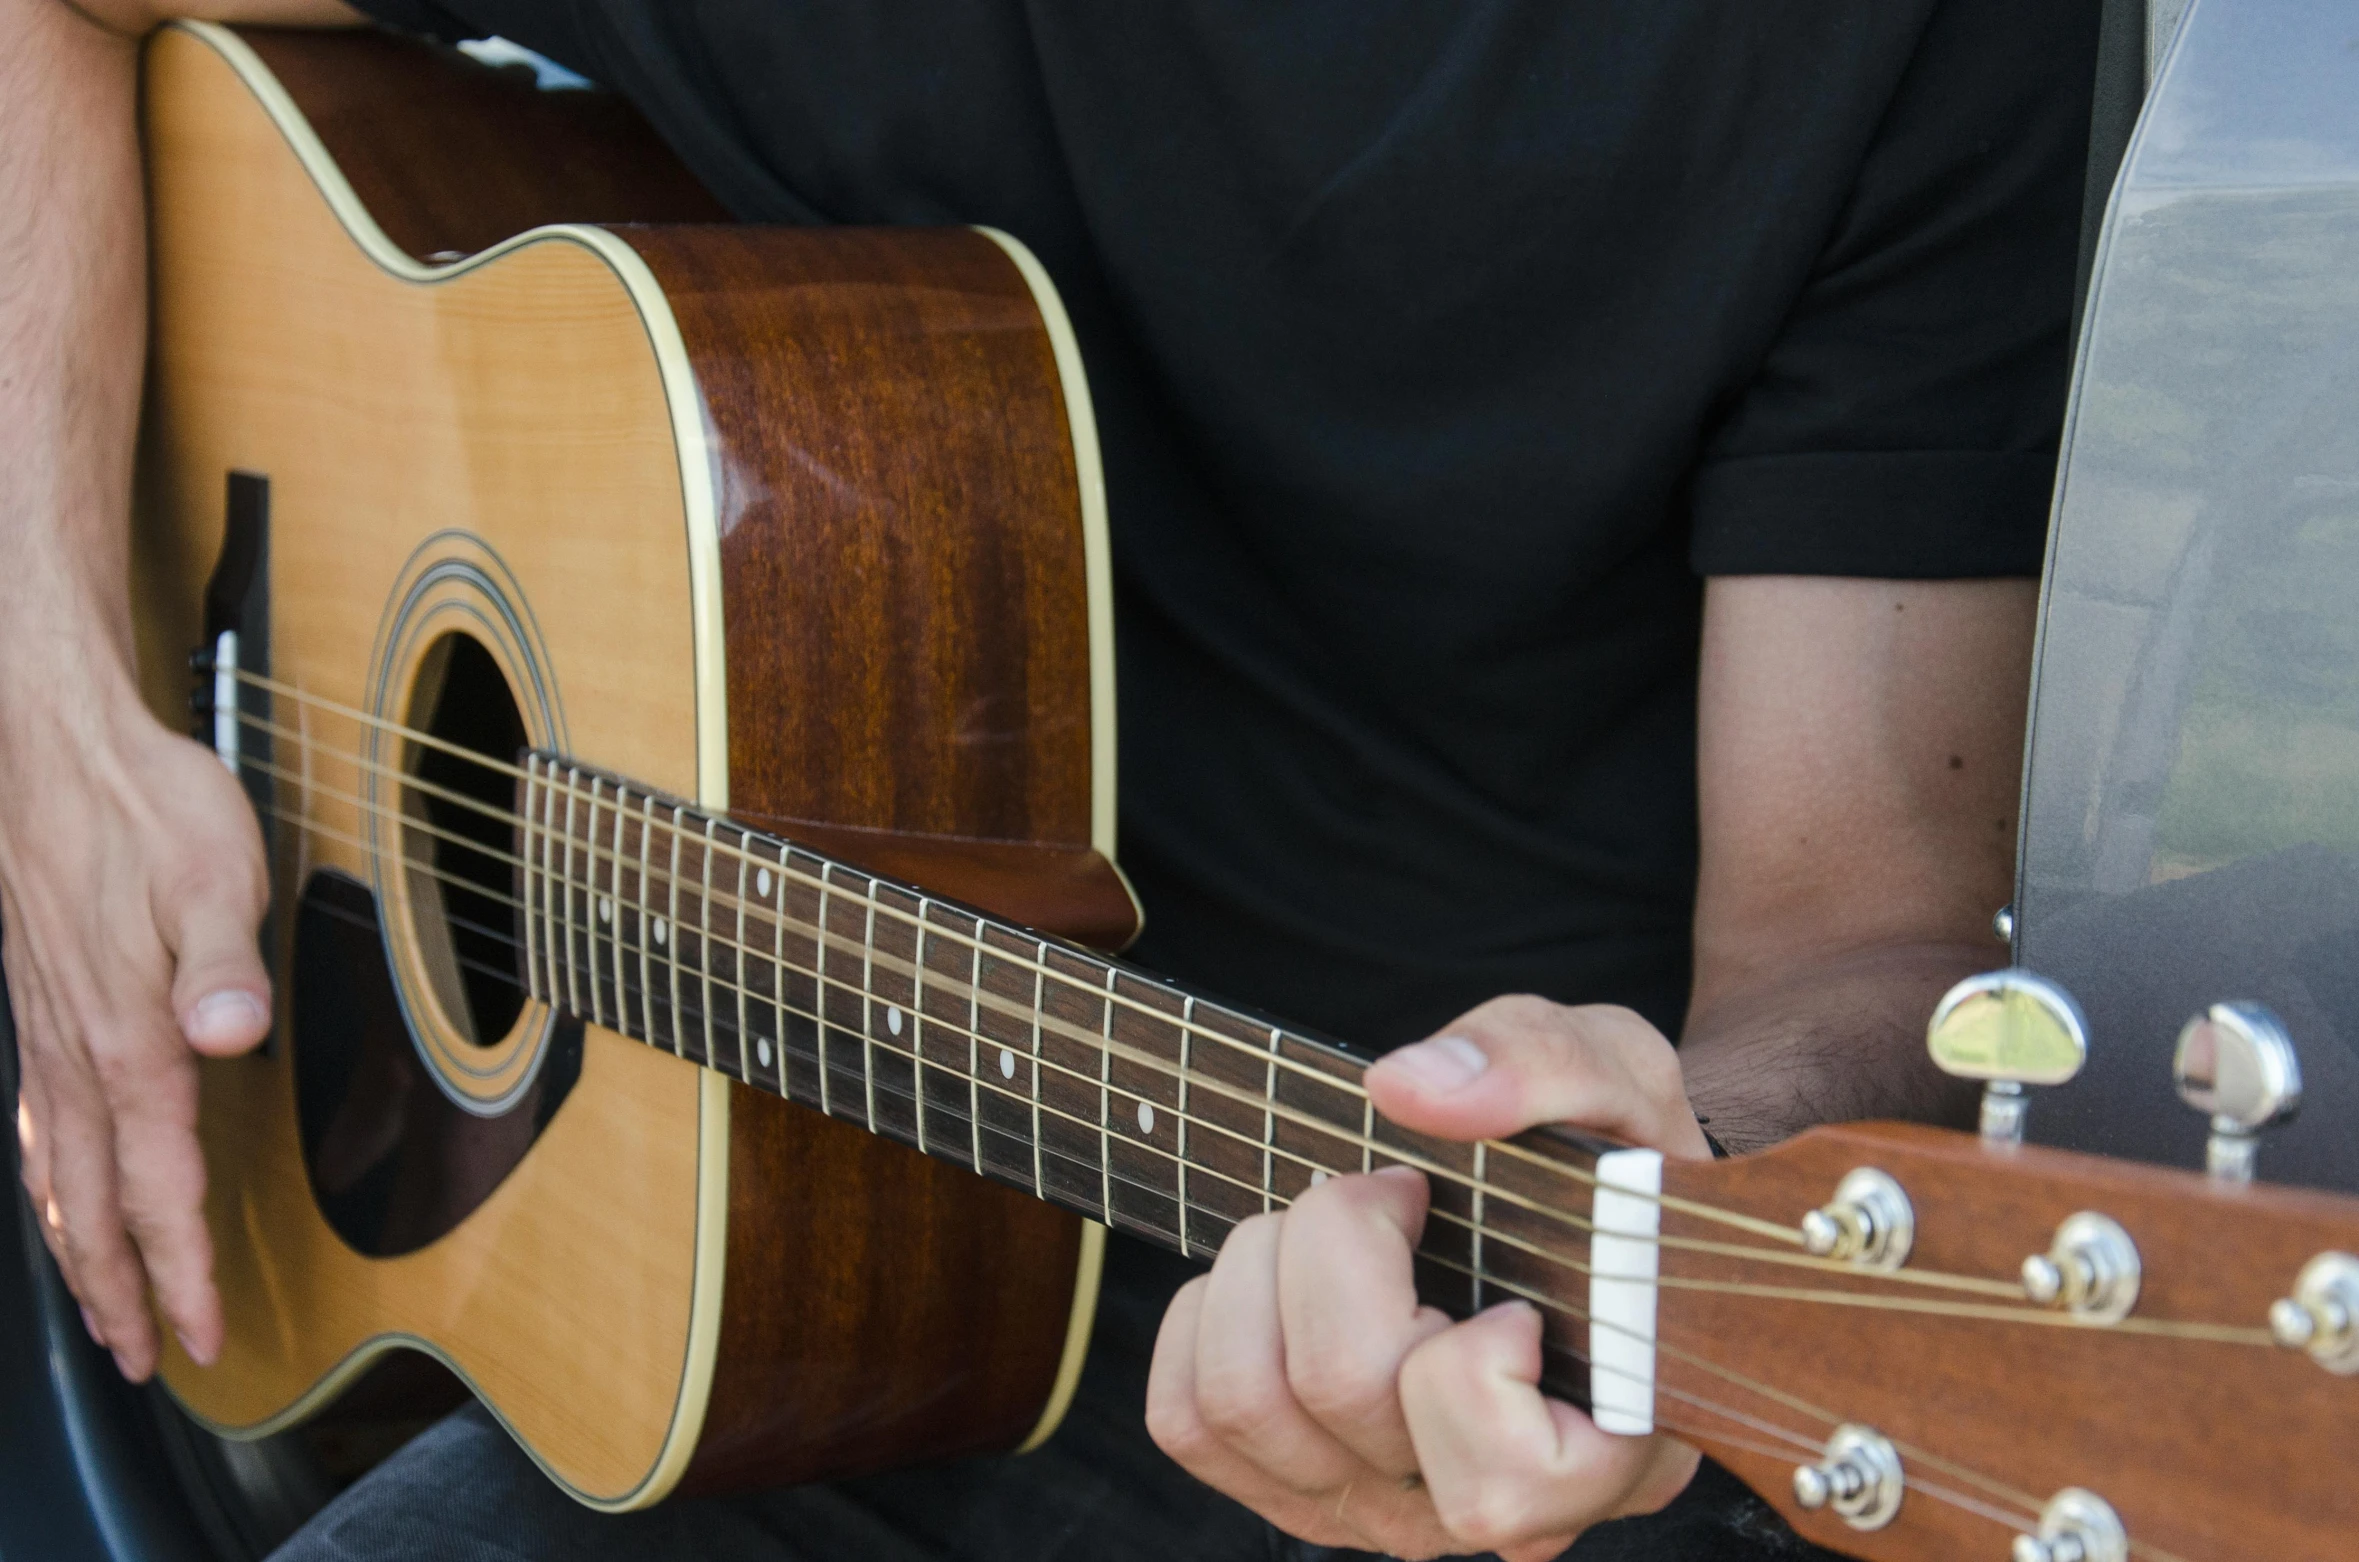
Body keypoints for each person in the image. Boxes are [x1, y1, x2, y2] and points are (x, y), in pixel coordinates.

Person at [0, 0, 2098, 1558]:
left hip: (1435, 1385)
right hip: (788, 1320)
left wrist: (1681, 1166)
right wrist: (55, 712)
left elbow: (1871, 929)